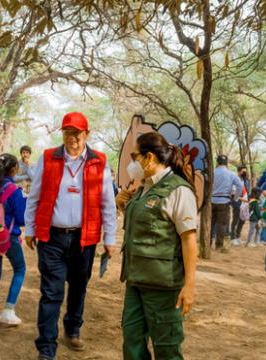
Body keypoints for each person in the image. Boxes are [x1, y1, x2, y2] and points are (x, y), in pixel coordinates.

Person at [24, 112, 117, 360]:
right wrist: (30, 229)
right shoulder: (48, 157)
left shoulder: (99, 161)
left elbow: (108, 203)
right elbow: (34, 196)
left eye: (77, 133)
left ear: (87, 134)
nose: (72, 138)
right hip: (51, 238)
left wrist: (110, 238)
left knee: (78, 288)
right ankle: (46, 347)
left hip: (84, 239)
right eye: (67, 132)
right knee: (52, 292)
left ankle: (73, 328)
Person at [117, 132, 198, 360]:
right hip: (135, 280)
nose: (132, 162)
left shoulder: (178, 190)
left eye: (135, 156)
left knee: (166, 347)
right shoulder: (143, 188)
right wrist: (123, 203)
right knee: (132, 343)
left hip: (163, 285)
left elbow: (188, 240)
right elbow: (145, 227)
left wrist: (189, 285)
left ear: (149, 157)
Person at [0, 154, 27, 329]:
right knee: (20, 269)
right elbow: (22, 219)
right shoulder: (15, 191)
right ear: (14, 169)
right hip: (9, 237)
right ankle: (8, 310)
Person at [210, 155, 243, 252]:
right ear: (226, 163)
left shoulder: (212, 172)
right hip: (224, 201)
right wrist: (236, 198)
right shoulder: (231, 174)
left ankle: (207, 244)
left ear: (217, 162)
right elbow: (240, 186)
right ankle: (219, 246)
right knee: (222, 224)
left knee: (210, 223)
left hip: (211, 201)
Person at [230, 165, 249, 246]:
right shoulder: (235, 180)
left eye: (245, 171)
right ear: (239, 171)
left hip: (244, 203)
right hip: (237, 203)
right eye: (243, 171)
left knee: (242, 220)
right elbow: (233, 193)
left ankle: (237, 236)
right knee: (236, 219)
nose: (244, 173)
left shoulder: (244, 180)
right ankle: (233, 238)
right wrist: (242, 199)